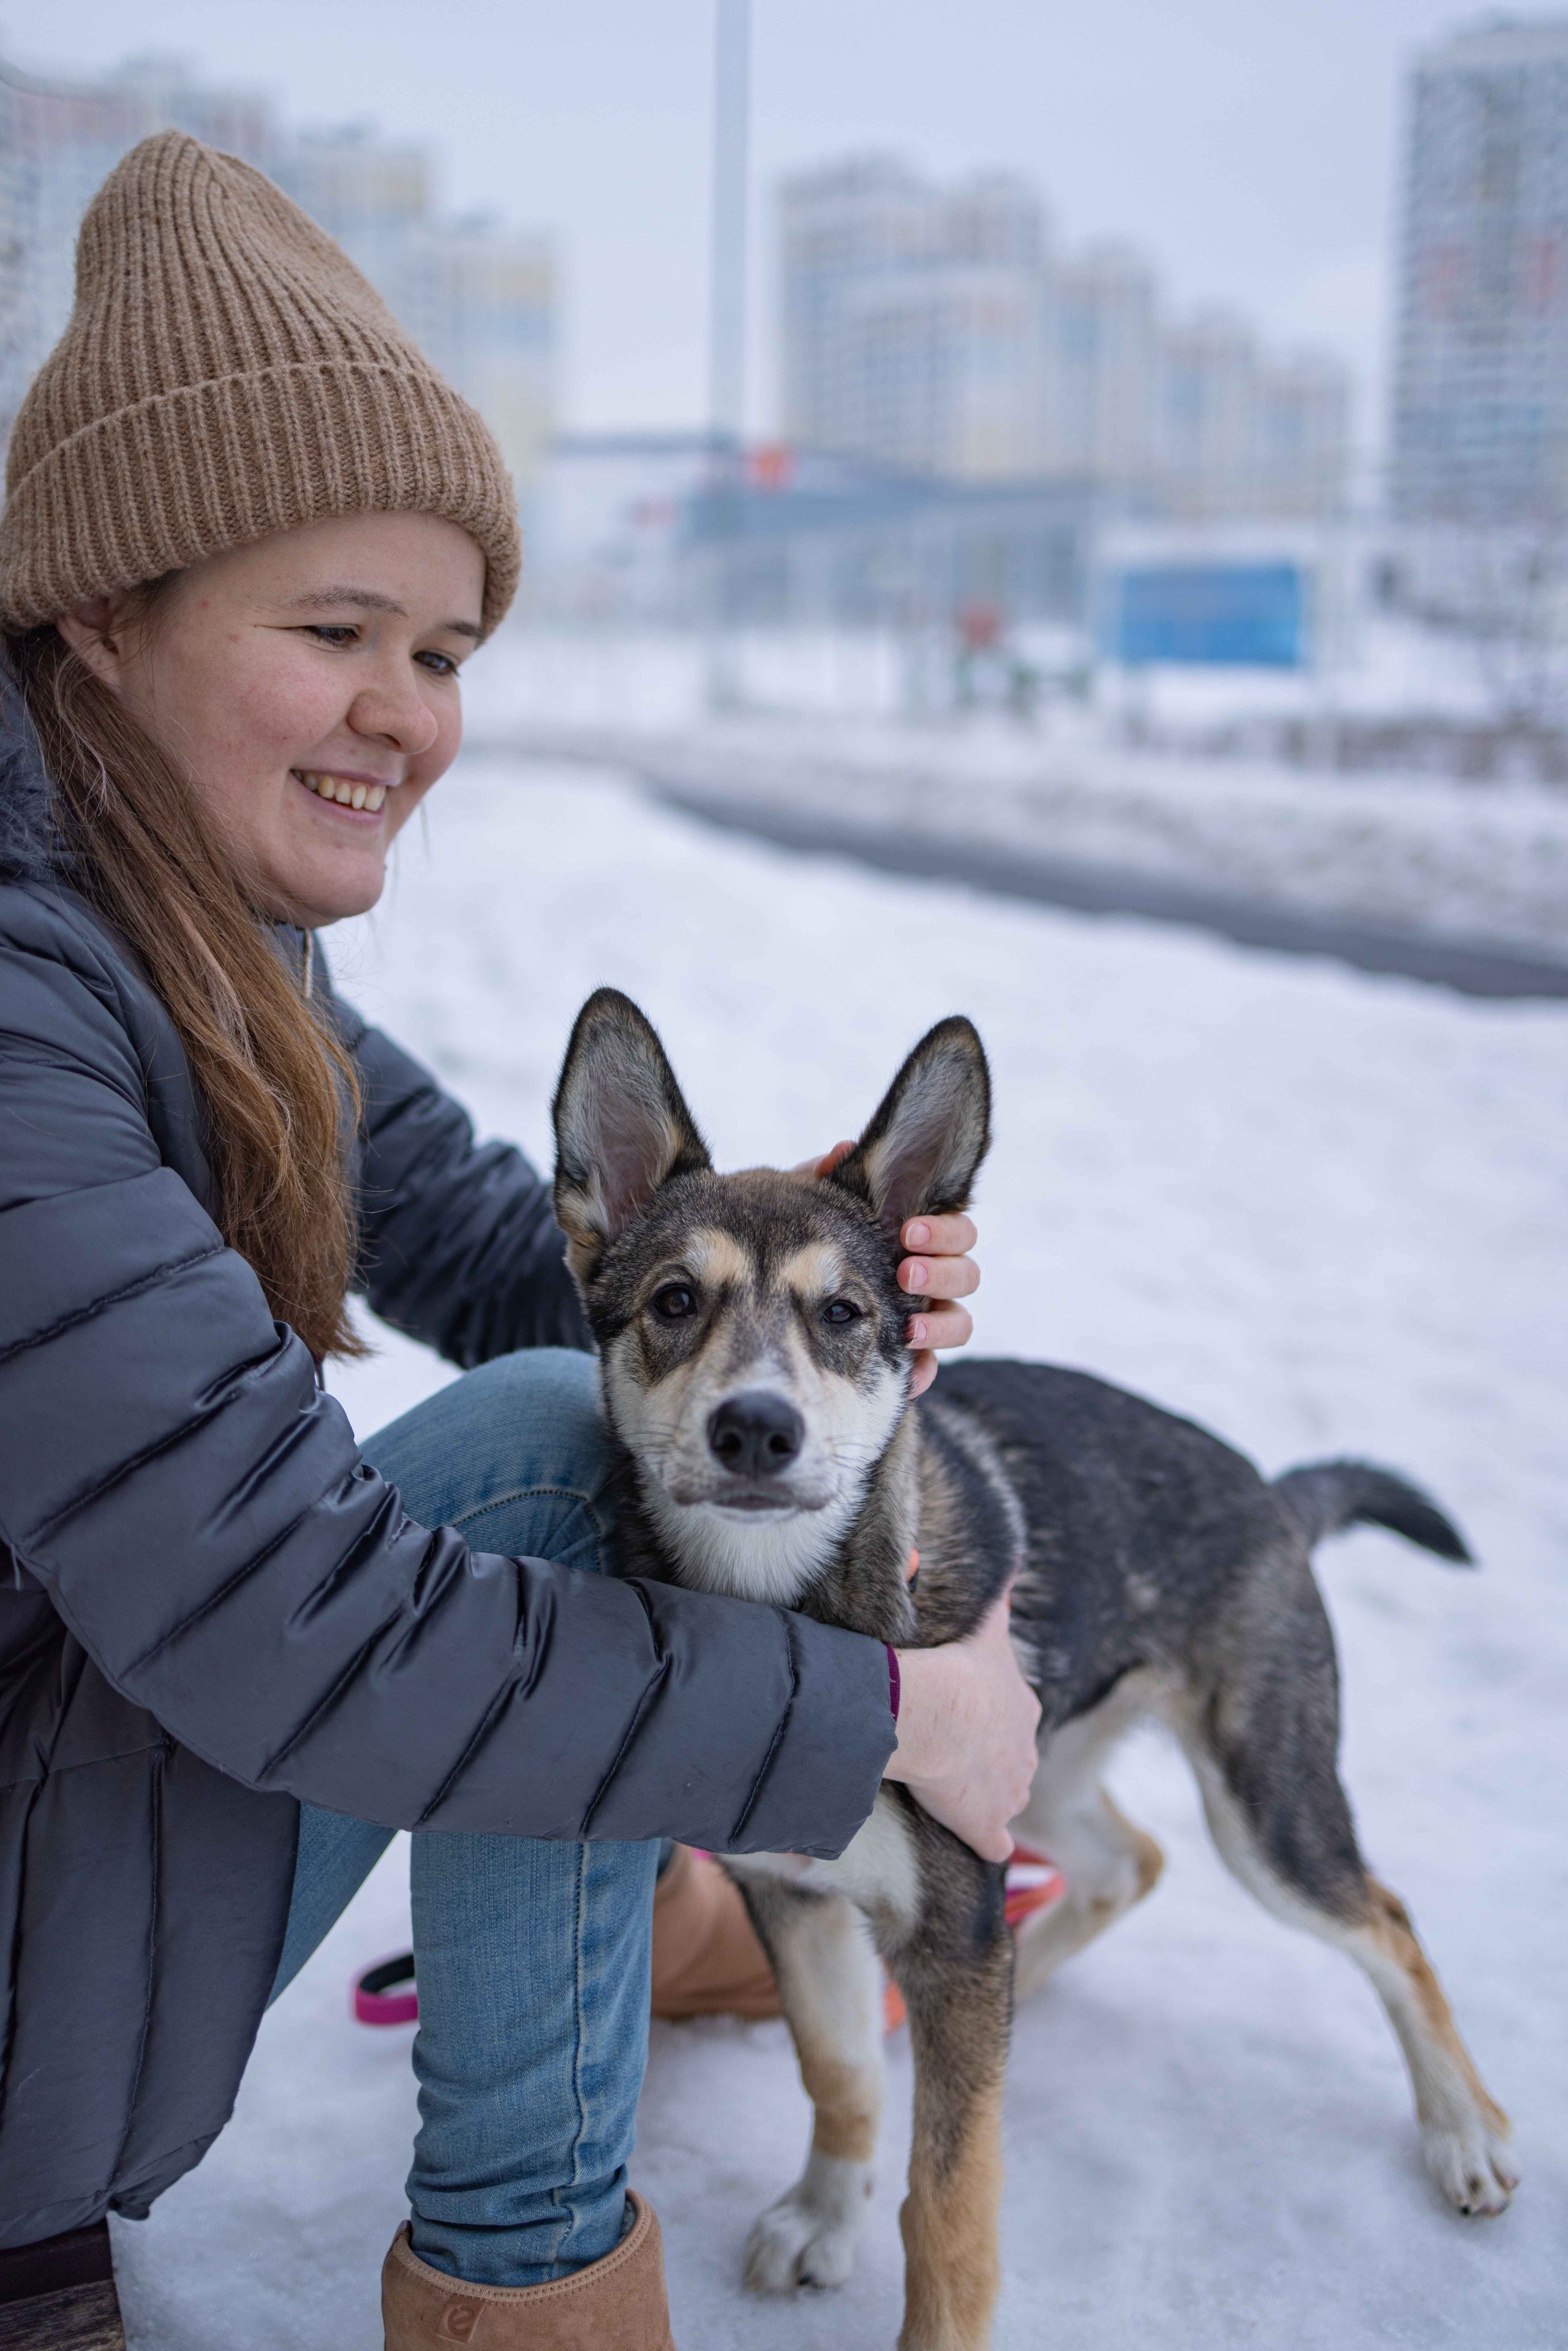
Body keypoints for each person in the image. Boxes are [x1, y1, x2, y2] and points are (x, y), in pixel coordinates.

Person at [0, 134, 1041, 2349]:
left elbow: (494, 1240)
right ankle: (532, 2265)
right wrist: (864, 1711)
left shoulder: (191, 936)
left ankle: (653, 1883)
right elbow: (297, 1614)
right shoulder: (23, 1004)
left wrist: (798, 1285)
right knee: (558, 1458)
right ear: (100, 615)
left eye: (447, 648)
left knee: (587, 1390)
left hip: (45, 1793)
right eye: (334, 632)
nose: (409, 712)